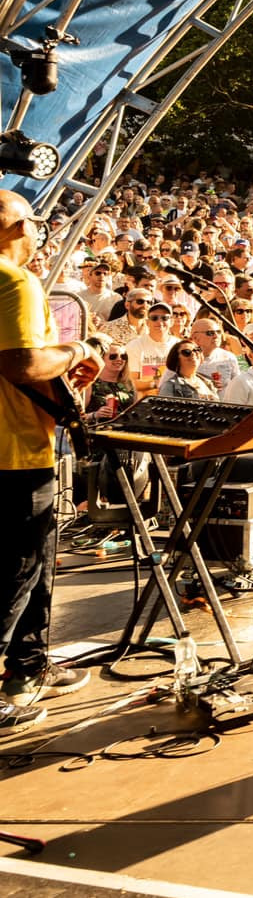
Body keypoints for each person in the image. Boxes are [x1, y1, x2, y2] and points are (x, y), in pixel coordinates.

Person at [0, 191, 103, 730]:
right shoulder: (14, 280)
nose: (40, 231)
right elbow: (21, 363)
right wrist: (80, 351)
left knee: (37, 566)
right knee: (15, 575)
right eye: (35, 222)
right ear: (17, 228)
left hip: (19, 445)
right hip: (13, 452)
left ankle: (30, 666)